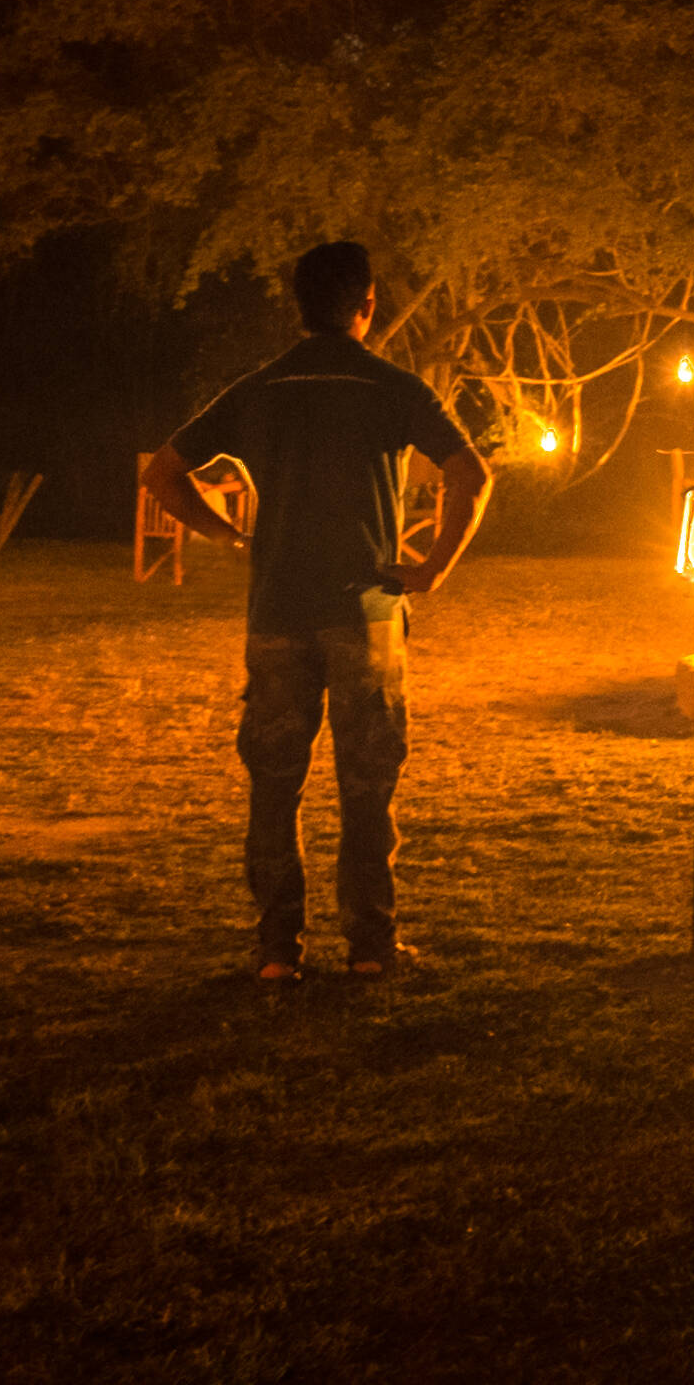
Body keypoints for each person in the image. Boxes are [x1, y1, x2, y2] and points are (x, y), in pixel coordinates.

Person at [143, 239, 492, 980]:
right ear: (367, 303)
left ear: (297, 304)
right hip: (365, 609)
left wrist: (227, 532)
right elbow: (470, 471)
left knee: (274, 783)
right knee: (367, 782)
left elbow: (166, 472)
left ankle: (277, 949)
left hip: (275, 612)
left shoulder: (259, 388)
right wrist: (432, 566)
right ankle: (369, 944)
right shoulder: (390, 386)